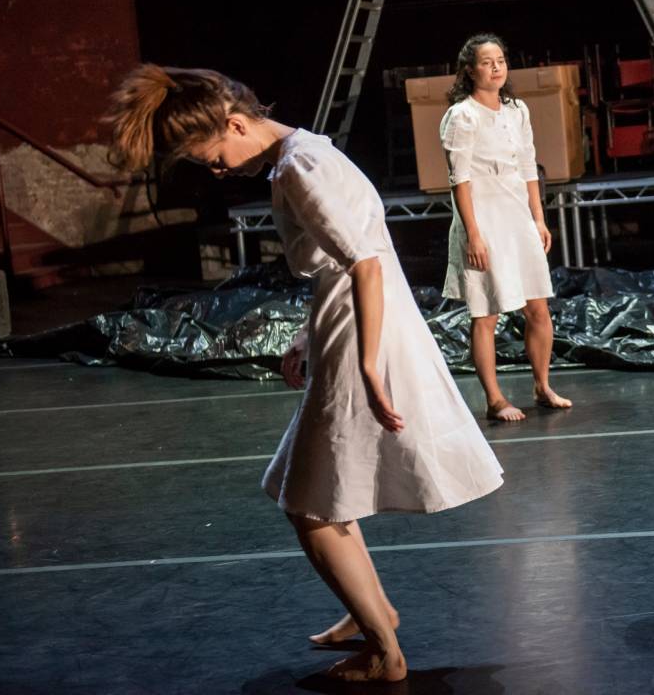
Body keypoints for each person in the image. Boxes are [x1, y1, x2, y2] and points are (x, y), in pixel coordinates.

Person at [104, 65, 504, 683]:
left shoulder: (297, 167)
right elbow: (343, 260)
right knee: (321, 494)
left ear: (236, 123)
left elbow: (366, 262)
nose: (217, 171)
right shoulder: (309, 150)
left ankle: (385, 653)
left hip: (363, 328)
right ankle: (373, 613)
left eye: (213, 156)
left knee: (310, 505)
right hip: (348, 320)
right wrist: (305, 335)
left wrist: (367, 363)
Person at [439, 34, 572, 422]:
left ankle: (542, 385)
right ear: (469, 70)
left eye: (500, 60)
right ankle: (495, 399)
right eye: (486, 61)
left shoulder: (516, 109)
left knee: (538, 308)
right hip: (484, 220)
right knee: (486, 314)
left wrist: (538, 217)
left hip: (517, 217)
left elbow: (528, 165)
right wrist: (473, 235)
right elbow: (459, 179)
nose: (496, 67)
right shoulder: (461, 115)